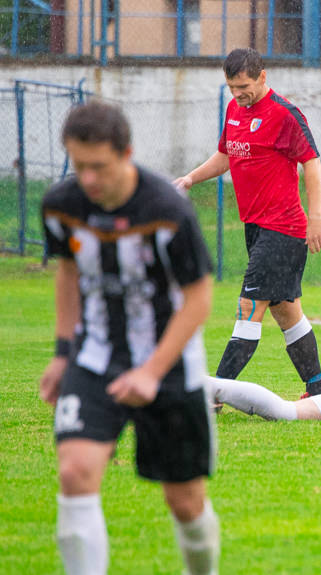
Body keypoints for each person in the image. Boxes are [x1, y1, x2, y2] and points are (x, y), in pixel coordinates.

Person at [39, 101, 219, 575]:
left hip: (169, 365)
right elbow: (69, 273)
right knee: (74, 473)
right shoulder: (62, 206)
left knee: (185, 501)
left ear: (127, 153)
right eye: (79, 166)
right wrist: (62, 354)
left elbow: (198, 299)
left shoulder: (167, 210)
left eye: (99, 167)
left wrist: (152, 371)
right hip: (94, 357)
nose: (90, 179)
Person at [174, 47, 321, 399]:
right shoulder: (234, 110)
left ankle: (212, 395)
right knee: (287, 312)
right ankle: (318, 390)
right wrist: (190, 179)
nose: (238, 94)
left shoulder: (284, 114)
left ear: (262, 76)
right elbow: (226, 155)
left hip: (284, 228)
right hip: (256, 228)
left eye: (243, 86)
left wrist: (315, 217)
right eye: (231, 88)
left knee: (250, 307)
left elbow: (312, 163)